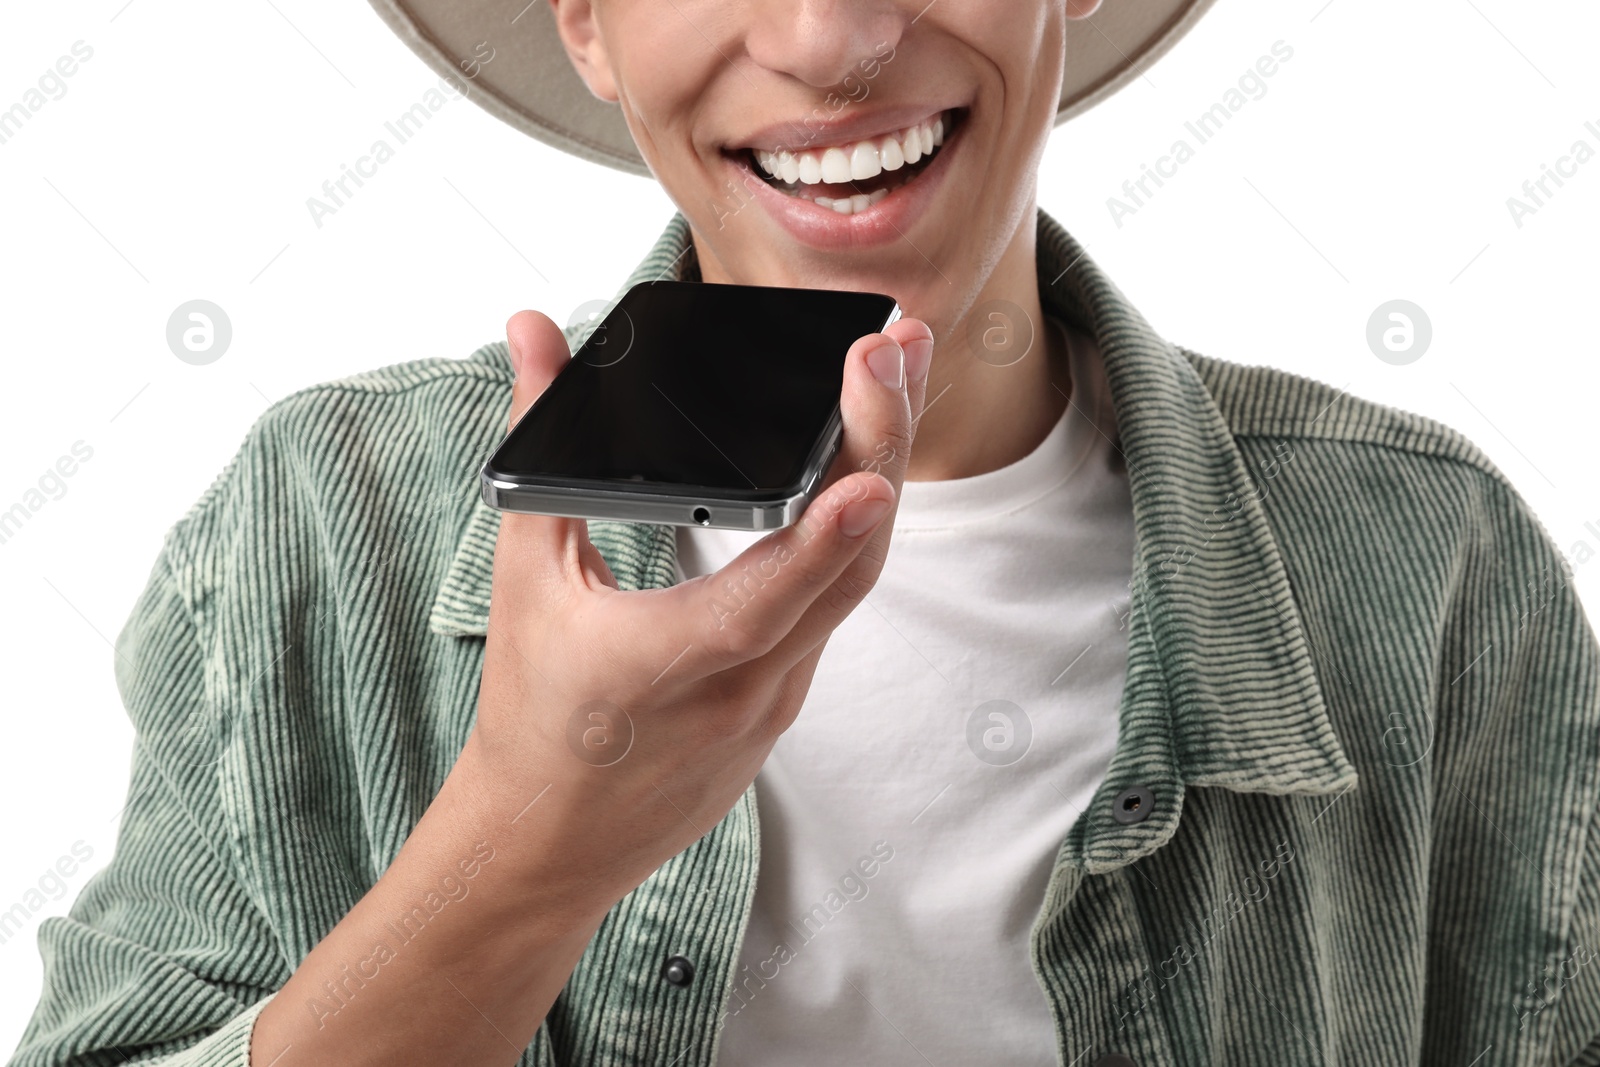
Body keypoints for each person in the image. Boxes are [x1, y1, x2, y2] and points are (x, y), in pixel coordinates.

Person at [11, 0, 1600, 1064]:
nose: (835, 40)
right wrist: (518, 853)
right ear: (589, 23)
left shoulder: (1433, 568)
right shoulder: (319, 526)